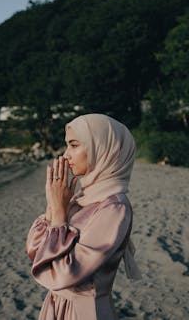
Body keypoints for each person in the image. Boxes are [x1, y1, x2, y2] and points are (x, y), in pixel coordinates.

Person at [26, 113, 141, 320]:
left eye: (74, 145)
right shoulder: (82, 198)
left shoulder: (114, 207)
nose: (66, 155)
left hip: (84, 312)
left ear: (102, 149)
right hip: (56, 306)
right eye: (67, 145)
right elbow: (35, 252)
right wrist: (53, 206)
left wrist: (60, 215)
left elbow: (64, 273)